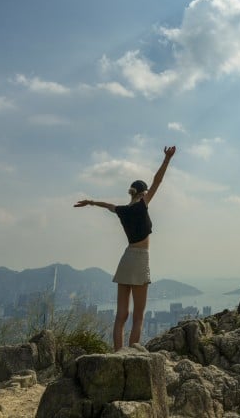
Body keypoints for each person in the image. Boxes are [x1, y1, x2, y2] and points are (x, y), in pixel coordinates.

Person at [74, 145, 176, 349]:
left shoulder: (122, 210)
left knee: (121, 315)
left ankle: (117, 353)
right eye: (146, 192)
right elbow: (158, 181)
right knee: (138, 316)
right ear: (142, 193)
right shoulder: (142, 205)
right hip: (140, 259)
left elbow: (108, 205)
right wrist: (167, 159)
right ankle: (132, 355)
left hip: (126, 259)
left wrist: (91, 202)